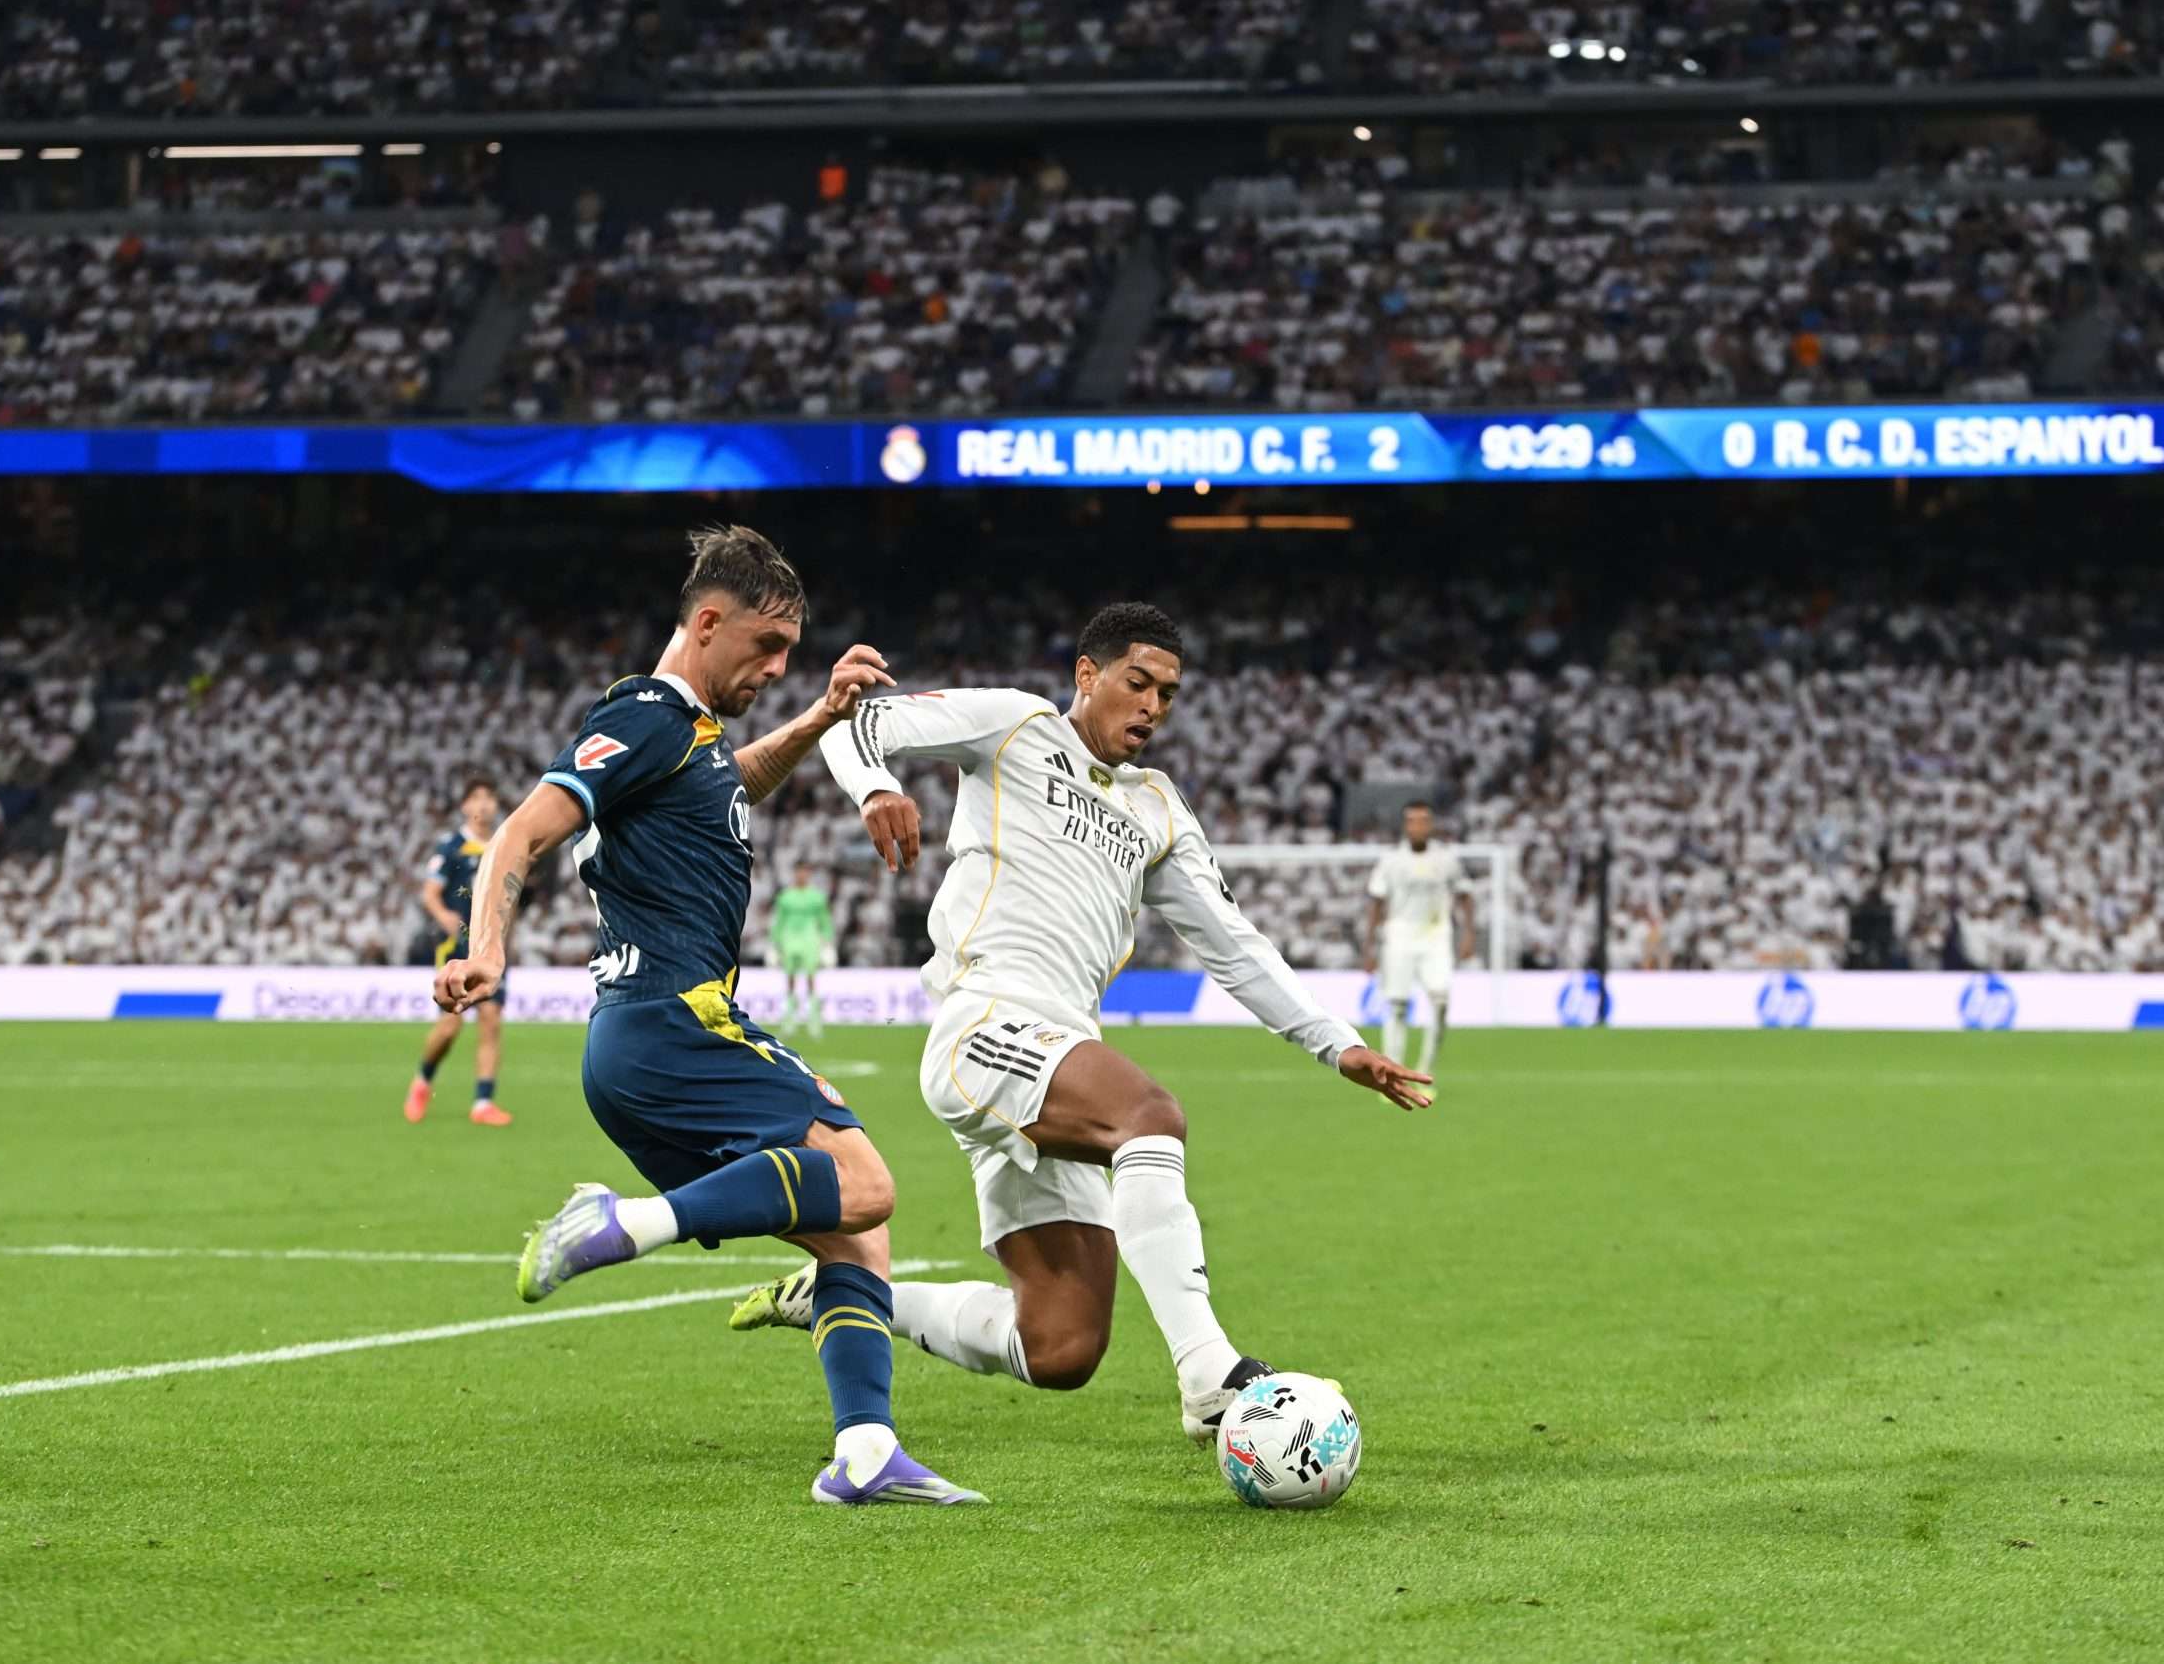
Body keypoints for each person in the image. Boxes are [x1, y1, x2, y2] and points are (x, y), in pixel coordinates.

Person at [734, 602, 1432, 1445]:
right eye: (1138, 683)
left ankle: (841, 1295)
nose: (1153, 708)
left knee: (1060, 1346)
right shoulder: (1015, 726)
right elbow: (859, 722)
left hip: (1059, 1054)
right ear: (1087, 675)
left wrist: (1339, 1044)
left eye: (1169, 695)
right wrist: (876, 785)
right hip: (985, 1021)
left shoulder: (1160, 810)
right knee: (1150, 1117)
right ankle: (1210, 1373)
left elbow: (1233, 945)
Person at [435, 525, 981, 1506]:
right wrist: (487, 946)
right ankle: (621, 1221)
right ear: (707, 621)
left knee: (853, 1240)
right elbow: (524, 828)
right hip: (672, 1022)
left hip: (642, 1047)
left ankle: (863, 1452)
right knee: (865, 1183)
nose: (777, 668)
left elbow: (731, 785)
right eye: (766, 649)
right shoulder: (646, 713)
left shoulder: (690, 740)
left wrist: (819, 716)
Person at [404, 777, 512, 1126]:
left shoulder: (505, 843)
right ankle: (422, 1080)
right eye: (476, 798)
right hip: (458, 946)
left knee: (491, 1021)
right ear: (465, 806)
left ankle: (482, 1103)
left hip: (491, 946)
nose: (483, 805)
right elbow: (430, 893)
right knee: (450, 1026)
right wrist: (443, 915)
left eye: (489, 798)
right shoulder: (451, 847)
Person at [1364, 800, 1459, 1077]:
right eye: (1413, 821)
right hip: (1400, 936)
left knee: (1441, 1003)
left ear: (1430, 824)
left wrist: (1467, 936)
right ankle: (1392, 1073)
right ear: (1406, 825)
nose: (1418, 826)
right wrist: (1369, 946)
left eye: (1424, 820)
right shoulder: (1391, 860)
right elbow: (1376, 902)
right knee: (1397, 1005)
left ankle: (1425, 1070)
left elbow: (1464, 894)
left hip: (1436, 937)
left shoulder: (1446, 859)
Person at [767, 863, 835, 1036]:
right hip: (789, 939)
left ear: (809, 874)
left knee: (811, 977)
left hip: (810, 939)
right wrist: (773, 943)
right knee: (790, 978)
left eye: (805, 872)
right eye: (799, 872)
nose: (801, 875)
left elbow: (824, 920)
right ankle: (789, 1020)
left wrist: (828, 941)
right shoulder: (785, 896)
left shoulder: (816, 897)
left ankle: (814, 1019)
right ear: (795, 873)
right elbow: (779, 920)